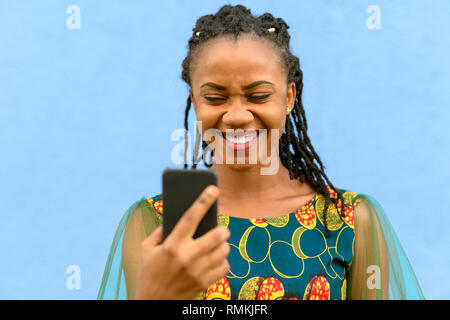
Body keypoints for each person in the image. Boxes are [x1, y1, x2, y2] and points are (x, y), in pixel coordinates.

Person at [97, 4, 424, 300]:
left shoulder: (348, 222)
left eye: (258, 95)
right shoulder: (158, 223)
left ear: (289, 97)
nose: (237, 115)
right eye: (215, 97)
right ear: (195, 101)